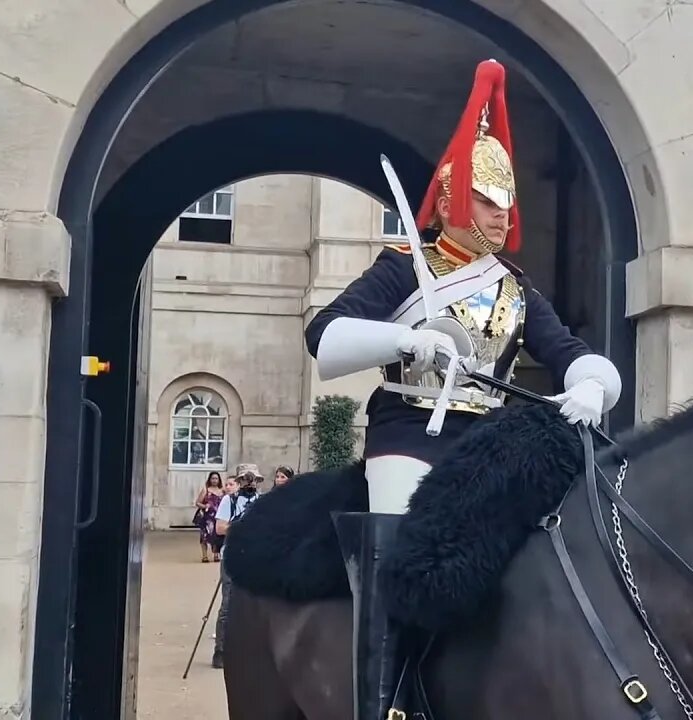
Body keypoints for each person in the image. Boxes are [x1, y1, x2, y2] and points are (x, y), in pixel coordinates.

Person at [303, 58, 622, 720]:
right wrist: (406, 340)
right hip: (407, 432)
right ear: (451, 200)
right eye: (486, 200)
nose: (502, 215)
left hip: (489, 442)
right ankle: (384, 698)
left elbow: (571, 354)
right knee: (395, 546)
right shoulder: (403, 271)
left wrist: (592, 388)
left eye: (507, 204)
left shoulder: (517, 289)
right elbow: (326, 338)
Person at [211, 463, 263, 669]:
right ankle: (221, 650)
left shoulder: (262, 502)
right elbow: (220, 528)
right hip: (232, 556)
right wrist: (241, 525)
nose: (249, 482)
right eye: (245, 479)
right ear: (240, 481)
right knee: (228, 604)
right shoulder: (229, 501)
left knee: (254, 603)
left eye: (253, 479)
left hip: (255, 558)